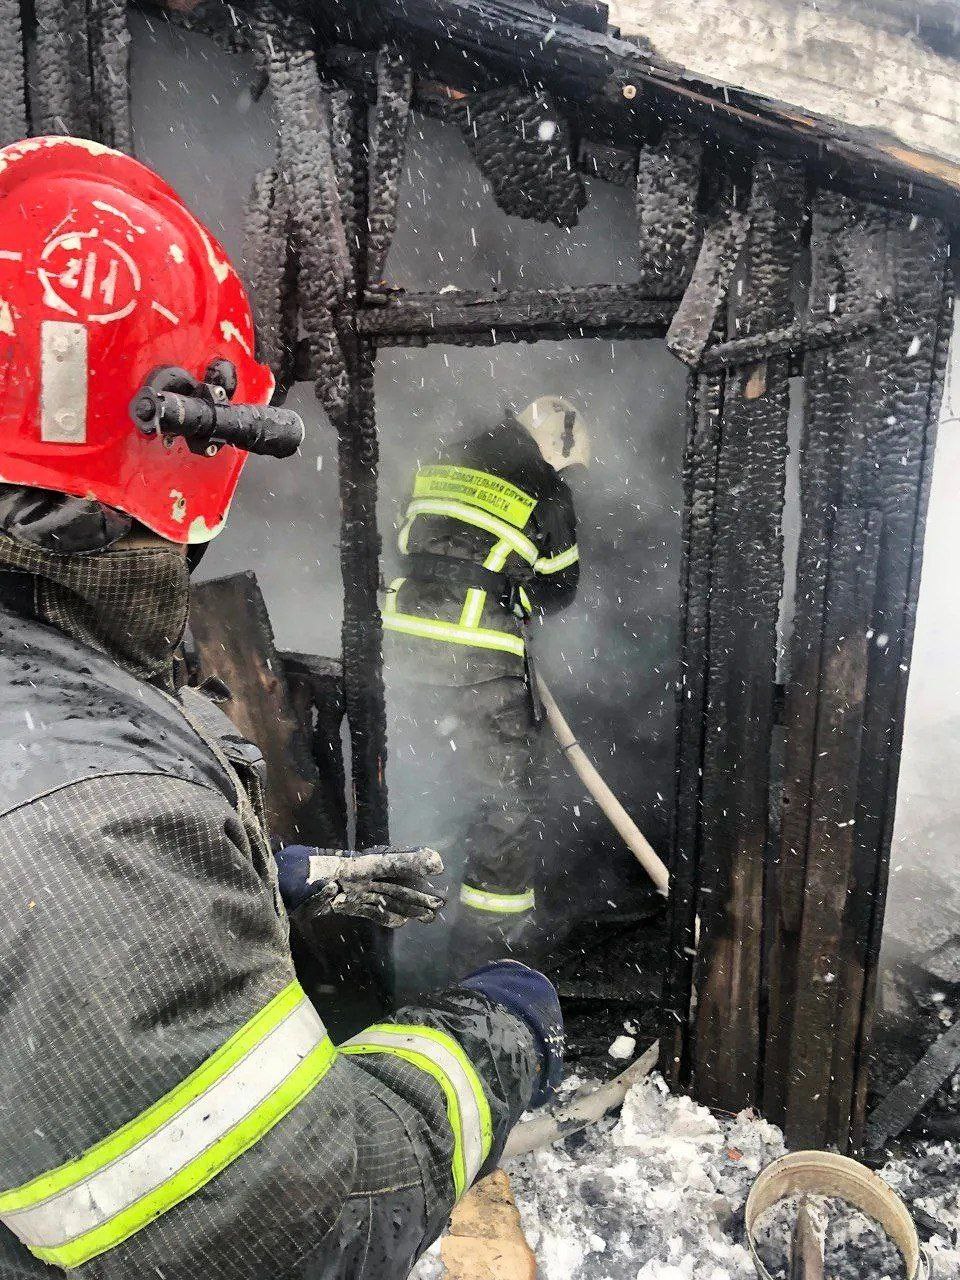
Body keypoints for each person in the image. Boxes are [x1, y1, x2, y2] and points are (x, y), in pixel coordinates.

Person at [0, 137, 562, 1280]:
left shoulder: (50, 716)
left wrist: (276, 873)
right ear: (186, 439)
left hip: (418, 645)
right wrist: (495, 1040)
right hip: (488, 661)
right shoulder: (83, 823)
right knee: (502, 817)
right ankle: (498, 949)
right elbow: (300, 1224)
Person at [383, 396, 588, 975]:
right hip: (475, 662)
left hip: (399, 649)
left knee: (417, 787)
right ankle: (490, 958)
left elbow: (405, 542)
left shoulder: (442, 456)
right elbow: (560, 589)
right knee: (503, 804)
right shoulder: (546, 488)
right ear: (558, 444)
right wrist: (515, 592)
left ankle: (402, 942)